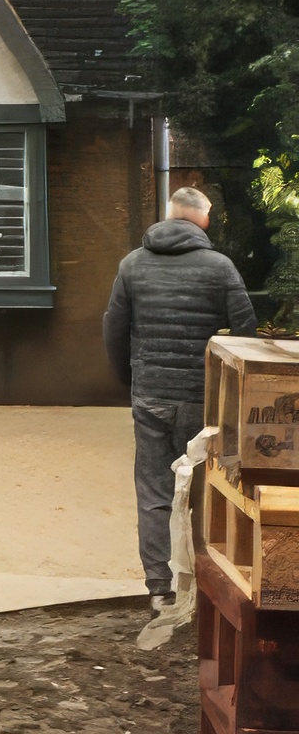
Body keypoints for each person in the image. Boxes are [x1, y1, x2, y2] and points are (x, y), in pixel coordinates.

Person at [103, 186, 257, 605]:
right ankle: (207, 587)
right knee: (206, 490)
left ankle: (160, 589)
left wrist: (129, 380)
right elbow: (246, 334)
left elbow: (113, 329)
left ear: (170, 216)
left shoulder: (132, 264)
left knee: (154, 490)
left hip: (150, 395)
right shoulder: (220, 268)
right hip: (202, 399)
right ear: (203, 219)